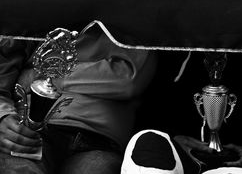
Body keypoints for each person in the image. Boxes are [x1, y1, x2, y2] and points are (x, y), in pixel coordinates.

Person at [0, 27, 157, 174]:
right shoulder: (31, 11)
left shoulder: (133, 18)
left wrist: (41, 76)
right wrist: (3, 116)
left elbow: (128, 79)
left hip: (97, 138)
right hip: (28, 129)